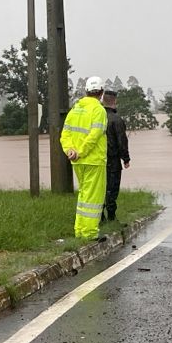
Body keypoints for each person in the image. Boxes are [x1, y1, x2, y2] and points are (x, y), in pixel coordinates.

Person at [60, 76, 109, 241]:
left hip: (78, 161)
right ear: (101, 93)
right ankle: (89, 234)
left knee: (83, 195)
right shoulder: (99, 111)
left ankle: (80, 231)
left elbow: (65, 135)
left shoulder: (75, 110)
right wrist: (81, 151)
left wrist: (70, 151)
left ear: (86, 91)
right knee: (93, 198)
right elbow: (94, 136)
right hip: (93, 160)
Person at [102, 87, 131, 223]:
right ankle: (112, 217)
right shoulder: (116, 120)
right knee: (112, 189)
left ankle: (100, 216)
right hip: (112, 160)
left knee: (100, 188)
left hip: (97, 159)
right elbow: (122, 140)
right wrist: (126, 158)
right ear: (114, 102)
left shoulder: (97, 117)